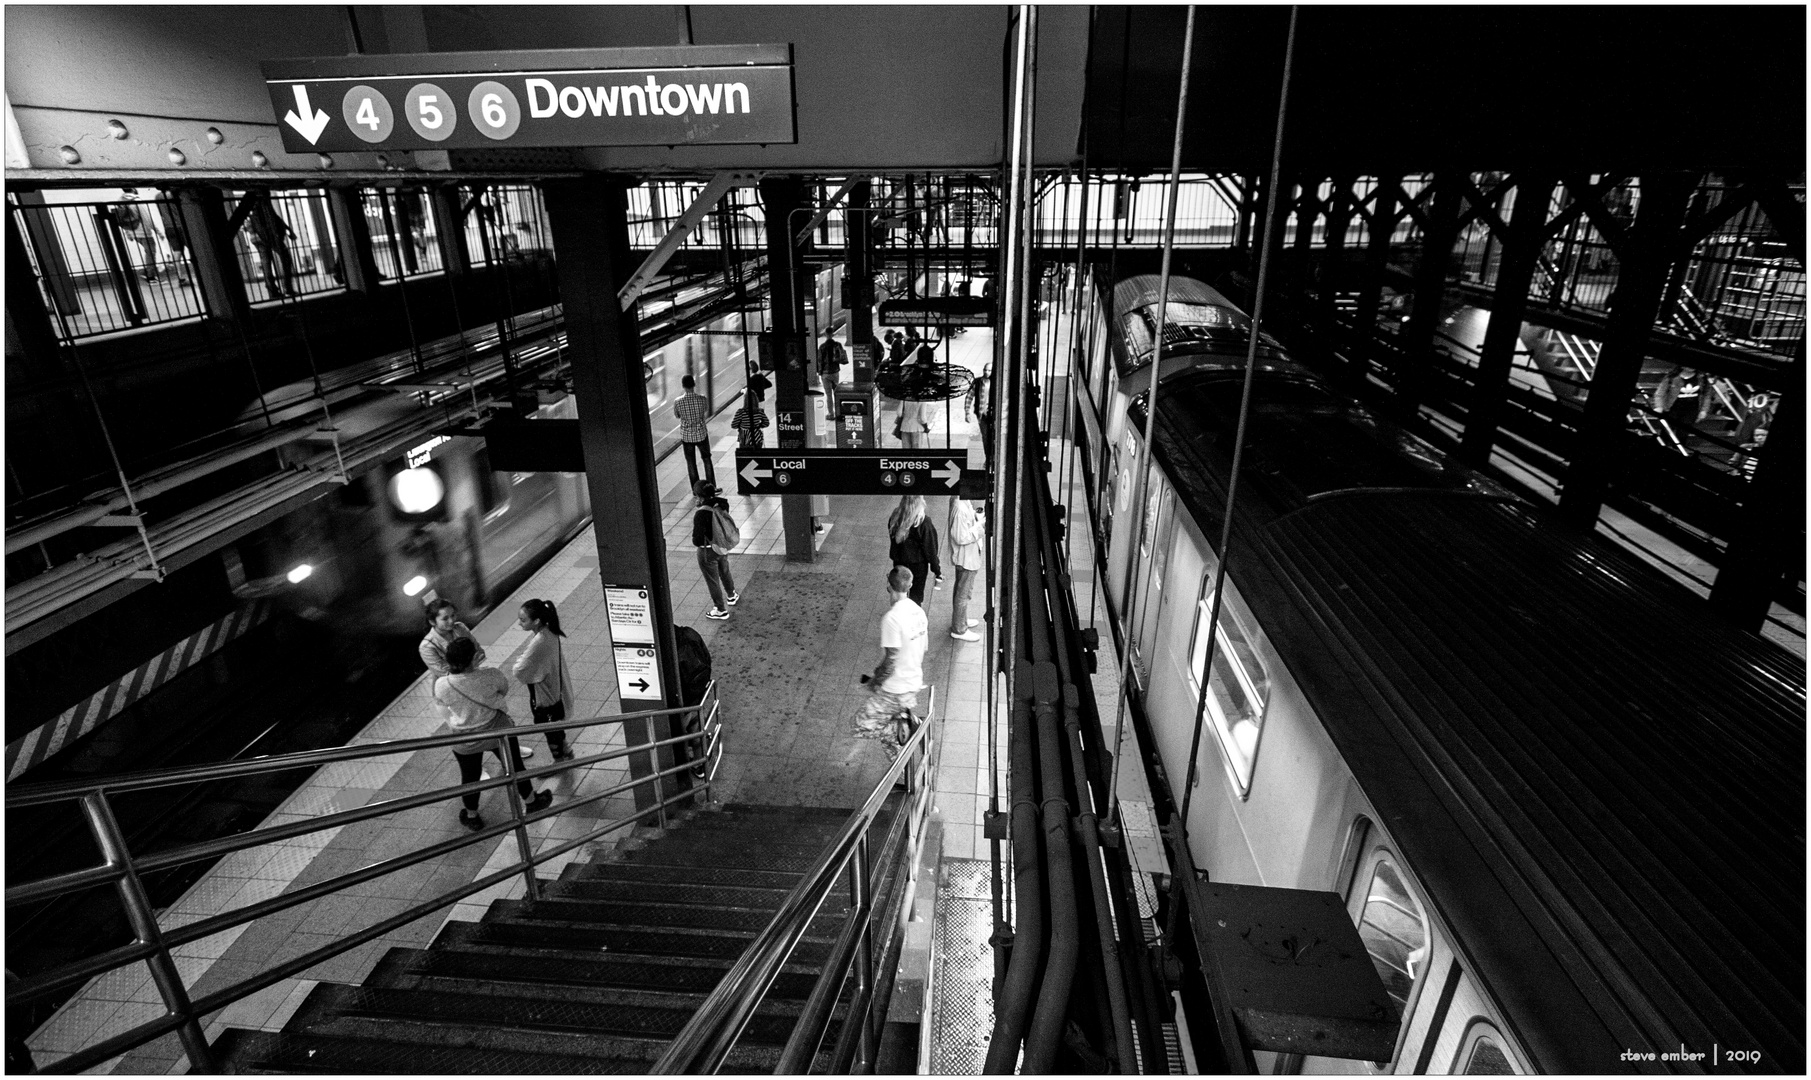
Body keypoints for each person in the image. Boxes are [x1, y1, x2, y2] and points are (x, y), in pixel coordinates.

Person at [435, 637, 553, 830]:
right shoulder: (490, 675)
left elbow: (442, 704)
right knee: (515, 766)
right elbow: (503, 690)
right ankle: (532, 801)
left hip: (466, 738)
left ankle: (472, 815)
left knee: (470, 777)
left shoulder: (442, 684)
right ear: (474, 658)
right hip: (497, 730)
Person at [852, 566, 928, 765]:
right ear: (910, 585)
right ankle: (901, 771)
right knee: (889, 736)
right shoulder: (919, 612)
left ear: (888, 585)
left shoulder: (892, 618)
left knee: (862, 724)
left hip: (896, 687)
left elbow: (891, 659)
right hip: (913, 680)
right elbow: (922, 648)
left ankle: (910, 727)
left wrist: (875, 681)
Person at [511, 598, 577, 764]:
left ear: (536, 621)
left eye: (523, 619)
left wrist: (520, 660)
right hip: (555, 688)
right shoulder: (549, 631)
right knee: (555, 723)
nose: (519, 623)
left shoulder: (539, 642)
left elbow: (519, 671)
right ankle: (566, 750)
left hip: (545, 693)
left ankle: (559, 760)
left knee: (549, 727)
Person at [693, 481, 739, 620]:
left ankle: (720, 610)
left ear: (701, 497)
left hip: (707, 551)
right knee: (725, 571)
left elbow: (697, 540)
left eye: (696, 496)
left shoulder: (701, 514)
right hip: (722, 546)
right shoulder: (721, 504)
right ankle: (732, 595)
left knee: (712, 580)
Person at [887, 494, 941, 606]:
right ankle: (912, 617)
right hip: (918, 566)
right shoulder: (923, 522)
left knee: (899, 594)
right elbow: (931, 550)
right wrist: (937, 570)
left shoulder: (895, 517)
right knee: (916, 596)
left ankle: (899, 615)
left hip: (899, 564)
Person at [675, 624, 713, 778]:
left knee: (679, 733)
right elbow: (706, 657)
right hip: (697, 694)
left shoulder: (667, 651)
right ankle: (700, 764)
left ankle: (684, 765)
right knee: (697, 730)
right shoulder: (690, 634)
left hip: (681, 702)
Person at [947, 498, 984, 641]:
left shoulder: (961, 502)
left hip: (967, 556)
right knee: (963, 594)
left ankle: (962, 620)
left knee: (961, 590)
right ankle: (959, 629)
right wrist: (980, 526)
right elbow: (960, 537)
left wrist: (976, 518)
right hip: (966, 558)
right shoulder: (960, 508)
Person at [246, 193, 296, 299]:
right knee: (286, 258)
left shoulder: (250, 205)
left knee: (266, 263)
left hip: (255, 236)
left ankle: (272, 291)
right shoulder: (264, 203)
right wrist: (287, 229)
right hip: (268, 235)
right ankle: (288, 287)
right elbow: (274, 218)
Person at [419, 599, 486, 677]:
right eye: (445, 619)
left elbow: (479, 651)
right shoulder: (427, 647)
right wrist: (471, 665)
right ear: (432, 622)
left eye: (453, 615)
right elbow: (444, 673)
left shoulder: (460, 627)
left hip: (473, 673)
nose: (451, 621)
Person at [675, 374, 714, 490]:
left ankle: (696, 490)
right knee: (707, 459)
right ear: (694, 384)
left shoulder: (678, 402)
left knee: (691, 463)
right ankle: (711, 486)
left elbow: (677, 415)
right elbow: (705, 411)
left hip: (686, 437)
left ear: (683, 386)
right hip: (701, 434)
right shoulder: (702, 399)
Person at [967, 362, 995, 466]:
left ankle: (993, 458)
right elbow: (969, 396)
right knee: (986, 438)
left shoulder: (996, 383)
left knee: (993, 438)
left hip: (994, 415)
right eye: (985, 370)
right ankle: (988, 458)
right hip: (982, 416)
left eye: (989, 370)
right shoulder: (978, 382)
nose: (986, 372)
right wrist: (967, 412)